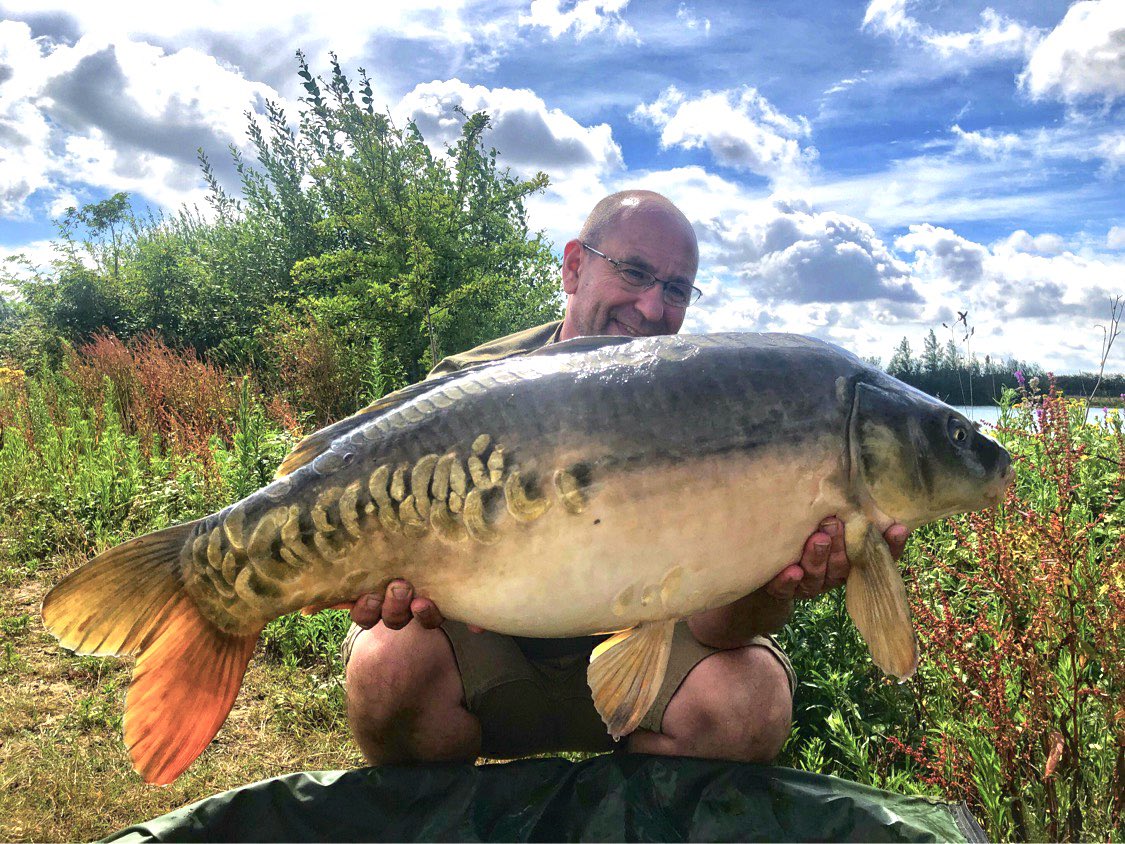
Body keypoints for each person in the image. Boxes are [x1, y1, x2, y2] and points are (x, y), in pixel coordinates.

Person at [340, 190, 910, 765]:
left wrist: (776, 585)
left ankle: (633, 816)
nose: (653, 308)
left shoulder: (712, 412)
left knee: (749, 704)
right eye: (634, 272)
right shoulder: (471, 392)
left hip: (644, 671)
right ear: (573, 266)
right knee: (387, 670)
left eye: (676, 289)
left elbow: (719, 628)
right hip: (495, 657)